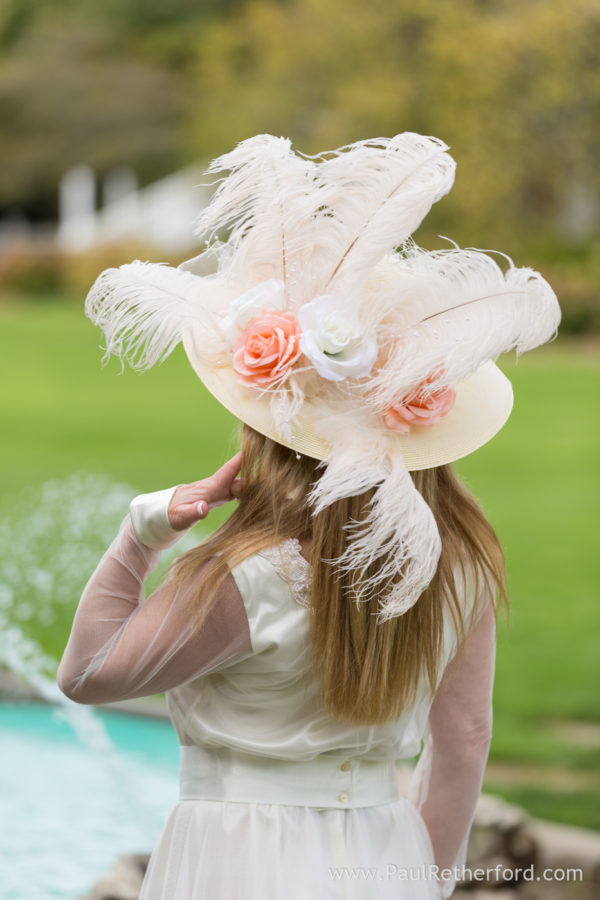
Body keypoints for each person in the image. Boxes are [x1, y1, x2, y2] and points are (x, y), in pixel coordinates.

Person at [57, 133, 560, 899]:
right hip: (383, 853)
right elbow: (464, 739)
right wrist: (420, 876)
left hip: (239, 860)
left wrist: (141, 533)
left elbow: (90, 675)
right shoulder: (460, 564)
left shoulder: (248, 575)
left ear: (267, 434)